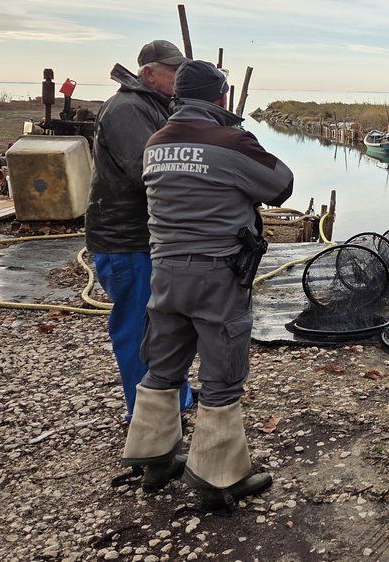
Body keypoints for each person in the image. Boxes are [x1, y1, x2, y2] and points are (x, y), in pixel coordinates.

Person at [119, 60, 294, 507]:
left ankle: (154, 458)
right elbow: (281, 185)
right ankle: (217, 480)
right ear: (220, 98)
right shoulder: (232, 140)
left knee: (163, 367)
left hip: (165, 273)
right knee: (221, 379)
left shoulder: (156, 142)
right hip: (218, 275)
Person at [86, 40, 194, 419]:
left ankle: (174, 397)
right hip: (126, 239)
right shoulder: (127, 108)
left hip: (149, 236)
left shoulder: (155, 104)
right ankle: (146, 415)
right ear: (149, 72)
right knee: (138, 327)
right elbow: (148, 171)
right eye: (174, 70)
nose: (180, 76)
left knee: (165, 324)